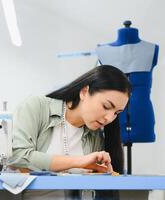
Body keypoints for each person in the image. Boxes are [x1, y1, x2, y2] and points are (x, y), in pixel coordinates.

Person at [8, 65, 131, 199]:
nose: (109, 118)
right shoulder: (37, 107)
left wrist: (101, 173)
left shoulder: (94, 136)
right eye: (106, 106)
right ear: (84, 92)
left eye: (116, 113)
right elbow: (18, 156)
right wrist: (79, 162)